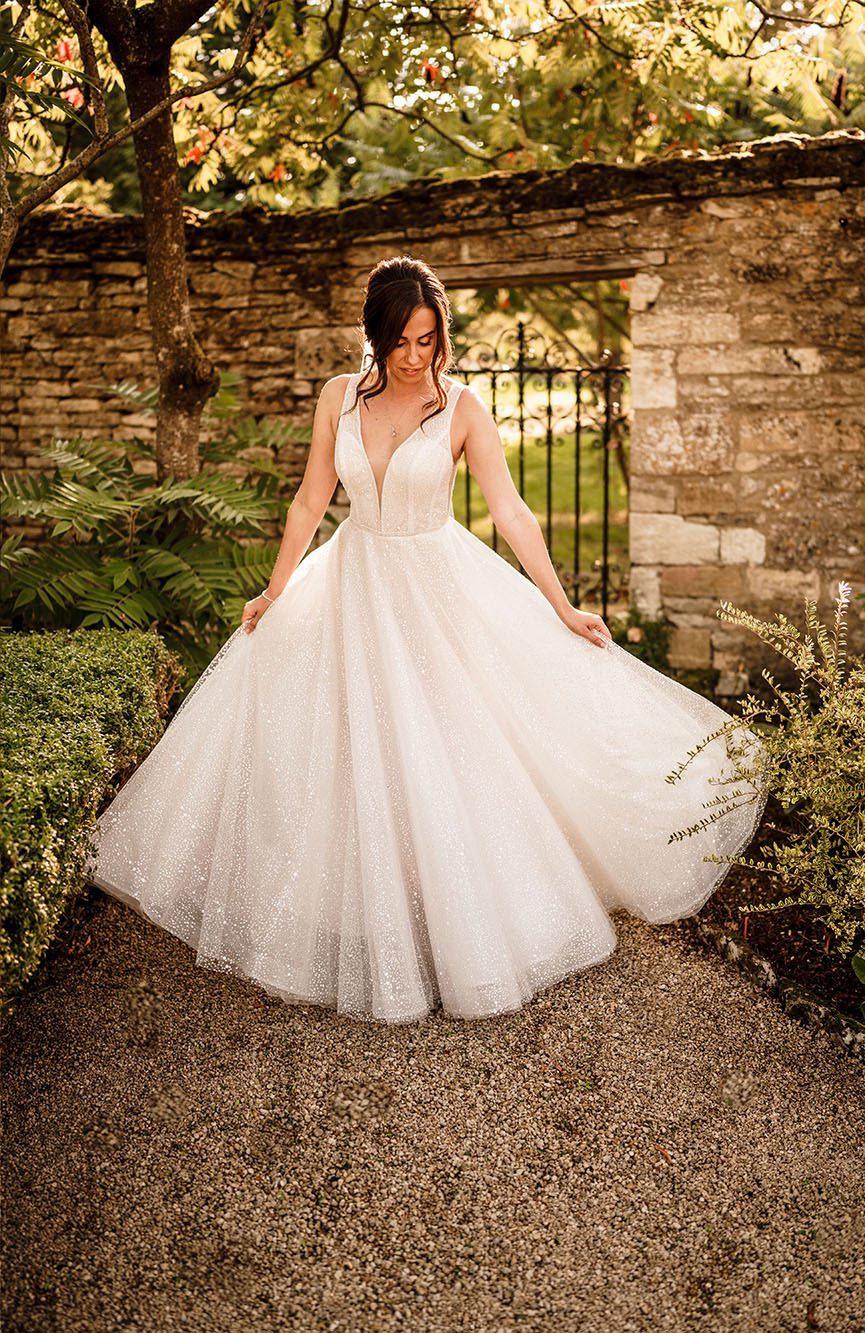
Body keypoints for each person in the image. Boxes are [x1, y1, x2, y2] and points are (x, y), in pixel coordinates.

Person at [87, 255, 763, 1024]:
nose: (416, 356)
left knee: (448, 743)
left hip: (435, 587)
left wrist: (565, 607)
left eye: (429, 340)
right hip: (352, 578)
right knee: (347, 744)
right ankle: (362, 910)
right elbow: (312, 498)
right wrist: (275, 588)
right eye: (402, 341)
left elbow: (512, 514)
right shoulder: (339, 398)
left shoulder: (463, 407)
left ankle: (465, 912)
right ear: (376, 336)